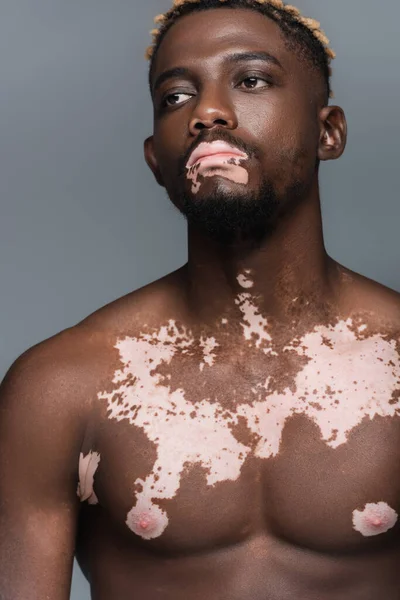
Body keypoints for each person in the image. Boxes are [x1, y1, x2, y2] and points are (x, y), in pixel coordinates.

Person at [1, 0, 400, 598]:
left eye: (252, 80)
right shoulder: (65, 385)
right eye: (176, 97)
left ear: (328, 132)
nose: (206, 112)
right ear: (155, 161)